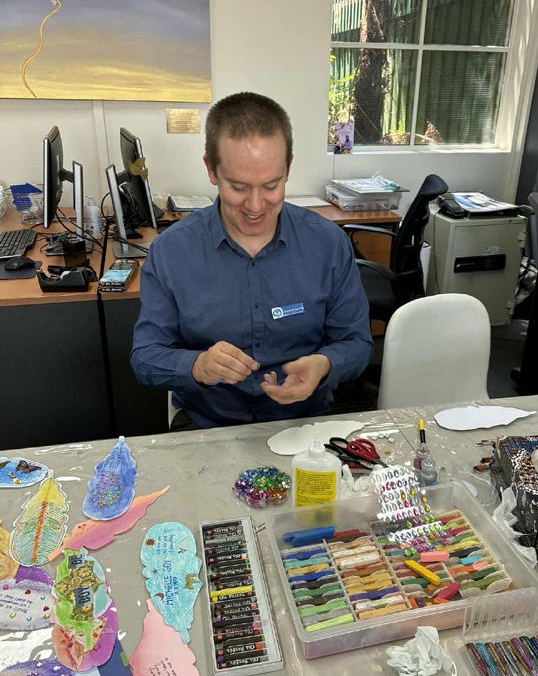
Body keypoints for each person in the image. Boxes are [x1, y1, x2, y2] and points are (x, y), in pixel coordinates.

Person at [131, 92, 373, 429]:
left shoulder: (328, 244)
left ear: (288, 168)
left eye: (271, 185)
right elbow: (145, 357)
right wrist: (197, 366)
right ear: (211, 170)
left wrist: (324, 364)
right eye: (238, 187)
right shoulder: (172, 252)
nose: (256, 206)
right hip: (208, 423)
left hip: (304, 423)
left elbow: (358, 344)